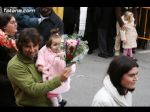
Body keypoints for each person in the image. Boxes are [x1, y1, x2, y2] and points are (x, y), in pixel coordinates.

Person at [7, 28, 72, 107]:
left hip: (50, 101)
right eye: (27, 46)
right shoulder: (14, 65)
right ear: (20, 46)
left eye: (35, 46)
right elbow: (33, 89)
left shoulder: (40, 55)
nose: (32, 50)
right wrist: (59, 79)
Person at [36, 28, 74, 107]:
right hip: (49, 76)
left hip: (60, 75)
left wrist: (64, 59)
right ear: (49, 45)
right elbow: (41, 57)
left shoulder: (63, 52)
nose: (57, 47)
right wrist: (41, 66)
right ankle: (58, 103)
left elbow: (70, 63)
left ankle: (60, 101)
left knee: (56, 91)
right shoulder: (45, 50)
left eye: (59, 44)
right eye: (55, 44)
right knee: (51, 93)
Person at [0, 13, 17, 106]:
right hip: (5, 83)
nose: (16, 24)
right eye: (12, 22)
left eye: (16, 22)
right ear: (4, 26)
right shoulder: (2, 42)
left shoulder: (13, 39)